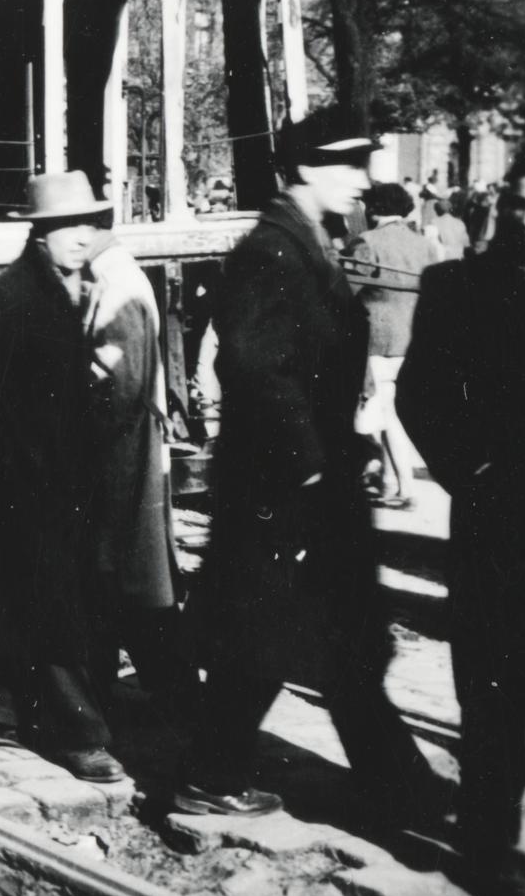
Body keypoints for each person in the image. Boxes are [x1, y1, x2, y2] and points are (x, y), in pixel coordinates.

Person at [176, 110, 439, 821]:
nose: (363, 182)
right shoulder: (274, 251)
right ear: (309, 170)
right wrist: (314, 469)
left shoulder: (308, 243)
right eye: (351, 167)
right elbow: (257, 369)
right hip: (288, 492)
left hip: (306, 487)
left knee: (324, 640)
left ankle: (395, 785)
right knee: (279, 641)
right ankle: (213, 775)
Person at [396, 145, 525, 896]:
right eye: (520, 204)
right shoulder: (460, 286)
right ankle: (485, 853)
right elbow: (419, 396)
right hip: (504, 535)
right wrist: (481, 477)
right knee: (493, 700)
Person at [0, 170, 127, 782]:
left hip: (48, 479)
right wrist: (3, 476)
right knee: (58, 608)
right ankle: (80, 736)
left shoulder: (55, 289)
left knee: (18, 599)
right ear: (40, 233)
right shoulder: (15, 298)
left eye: (88, 225)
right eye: (64, 227)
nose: (81, 236)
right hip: (28, 484)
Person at [84, 222, 188, 705]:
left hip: (122, 453)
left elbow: (115, 379)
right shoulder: (113, 270)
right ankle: (162, 684)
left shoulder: (113, 280)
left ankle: (168, 688)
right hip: (126, 451)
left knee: (131, 576)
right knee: (133, 576)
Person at [347, 181, 435, 509]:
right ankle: (389, 482)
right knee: (398, 413)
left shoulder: (367, 242)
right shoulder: (425, 244)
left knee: (385, 414)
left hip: (378, 340)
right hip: (415, 339)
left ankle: (402, 486)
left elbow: (347, 293)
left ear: (372, 209)